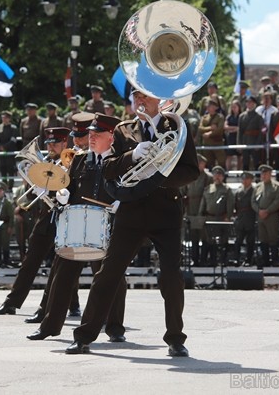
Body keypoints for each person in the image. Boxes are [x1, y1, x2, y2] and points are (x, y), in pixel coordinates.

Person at [66, 88, 199, 357]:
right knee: (108, 273)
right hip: (131, 211)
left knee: (172, 277)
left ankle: (175, 338)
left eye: (146, 96)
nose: (140, 101)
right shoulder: (124, 131)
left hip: (166, 211)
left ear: (159, 99)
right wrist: (135, 156)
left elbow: (191, 171)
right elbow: (109, 167)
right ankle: (84, 335)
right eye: (136, 96)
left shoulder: (175, 126)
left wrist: (158, 173)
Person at [28, 113, 127, 342]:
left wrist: (120, 201)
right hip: (76, 225)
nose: (90, 138)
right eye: (89, 134)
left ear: (111, 136)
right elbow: (69, 187)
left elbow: (129, 188)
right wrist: (62, 195)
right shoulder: (80, 160)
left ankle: (114, 328)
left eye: (96, 134)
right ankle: (49, 326)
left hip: (107, 226)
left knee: (112, 278)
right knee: (61, 274)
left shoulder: (121, 160)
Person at [0, 127, 72, 316]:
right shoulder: (46, 164)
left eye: (55, 143)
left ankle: (57, 306)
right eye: (49, 144)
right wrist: (37, 188)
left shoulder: (71, 162)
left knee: (63, 264)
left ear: (64, 144)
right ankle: (12, 302)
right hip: (45, 217)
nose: (51, 147)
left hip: (65, 219)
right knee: (30, 261)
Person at [199, 166, 234, 266]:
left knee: (222, 241)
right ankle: (211, 261)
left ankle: (222, 260)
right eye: (215, 175)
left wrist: (228, 216)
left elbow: (230, 204)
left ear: (223, 177)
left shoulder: (227, 190)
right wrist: (200, 215)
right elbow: (203, 203)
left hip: (221, 219)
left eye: (219, 175)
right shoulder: (208, 188)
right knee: (209, 241)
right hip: (209, 218)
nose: (217, 177)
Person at [251, 164, 279, 268]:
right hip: (260, 217)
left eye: (266, 173)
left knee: (273, 238)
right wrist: (259, 210)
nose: (263, 175)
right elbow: (253, 201)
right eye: (262, 173)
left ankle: (274, 260)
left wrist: (267, 211)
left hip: (271, 216)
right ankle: (265, 261)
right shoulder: (258, 187)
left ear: (270, 174)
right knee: (263, 239)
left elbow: (277, 201)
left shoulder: (277, 186)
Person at [182, 155, 211, 266]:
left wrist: (204, 210)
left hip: (202, 209)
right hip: (191, 209)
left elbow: (209, 194)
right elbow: (183, 190)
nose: (199, 165)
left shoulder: (208, 177)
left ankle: (203, 259)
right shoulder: (190, 175)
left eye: (201, 163)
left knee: (204, 236)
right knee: (193, 237)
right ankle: (195, 259)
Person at [233, 172, 257, 266]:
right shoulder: (239, 191)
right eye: (243, 179)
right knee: (238, 241)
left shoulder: (254, 191)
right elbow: (235, 204)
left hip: (250, 218)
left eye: (247, 179)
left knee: (250, 241)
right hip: (241, 218)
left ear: (251, 180)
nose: (245, 181)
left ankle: (248, 260)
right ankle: (236, 259)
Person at [238, 96, 263, 171]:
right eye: (247, 102)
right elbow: (240, 131)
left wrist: (258, 143)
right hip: (245, 141)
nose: (249, 104)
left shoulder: (259, 117)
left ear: (255, 104)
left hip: (254, 141)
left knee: (256, 161)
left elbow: (261, 132)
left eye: (251, 102)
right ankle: (245, 178)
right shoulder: (242, 116)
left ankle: (257, 178)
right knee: (245, 162)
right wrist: (239, 144)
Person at [198, 99, 226, 169]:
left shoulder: (220, 117)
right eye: (207, 106)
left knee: (221, 162)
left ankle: (223, 178)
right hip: (207, 144)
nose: (208, 108)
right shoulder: (204, 117)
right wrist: (210, 128)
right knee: (209, 163)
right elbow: (200, 128)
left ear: (215, 107)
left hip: (217, 143)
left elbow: (219, 129)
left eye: (210, 106)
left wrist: (209, 134)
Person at [0, 111, 18, 190]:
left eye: (5, 118)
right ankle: (4, 186)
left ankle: (10, 187)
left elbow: (13, 139)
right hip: (1, 154)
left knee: (10, 170)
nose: (4, 119)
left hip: (10, 153)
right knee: (3, 170)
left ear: (9, 119)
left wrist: (5, 147)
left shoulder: (13, 128)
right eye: (2, 117)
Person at [224, 99, 242, 170]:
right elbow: (225, 127)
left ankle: (239, 172)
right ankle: (228, 172)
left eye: (235, 107)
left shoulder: (241, 116)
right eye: (232, 107)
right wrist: (235, 128)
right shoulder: (229, 117)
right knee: (229, 156)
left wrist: (232, 129)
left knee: (239, 156)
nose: (233, 108)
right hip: (230, 138)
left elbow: (240, 128)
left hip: (238, 138)